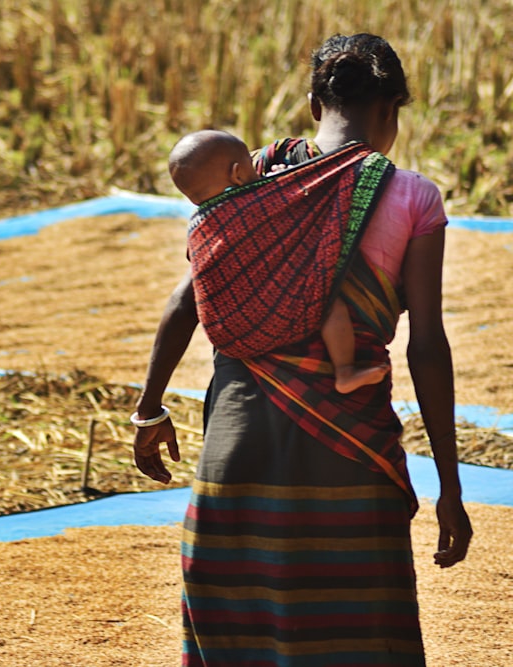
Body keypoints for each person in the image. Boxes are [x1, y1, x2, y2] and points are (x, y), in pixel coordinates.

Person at [131, 34, 473, 666]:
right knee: (357, 639)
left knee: (236, 633)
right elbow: (428, 345)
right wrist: (451, 487)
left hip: (238, 445)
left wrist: (149, 407)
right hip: (351, 451)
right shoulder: (414, 197)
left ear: (315, 104)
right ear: (394, 109)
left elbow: (186, 299)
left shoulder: (253, 173)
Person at [168, 128, 390, 394]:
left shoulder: (199, 226)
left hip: (230, 336)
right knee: (333, 304)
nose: (259, 173)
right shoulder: (257, 204)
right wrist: (279, 180)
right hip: (280, 316)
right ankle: (345, 371)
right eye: (252, 167)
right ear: (237, 174)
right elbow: (289, 203)